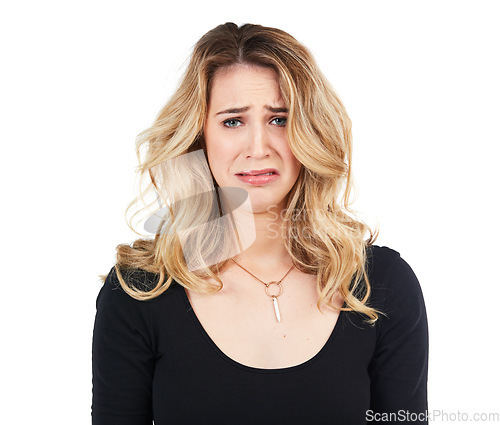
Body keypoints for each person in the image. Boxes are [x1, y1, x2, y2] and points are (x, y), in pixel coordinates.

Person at [91, 22, 428, 424]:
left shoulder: (382, 285)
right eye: (233, 121)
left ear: (311, 132)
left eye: (280, 119)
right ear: (200, 137)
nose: (258, 148)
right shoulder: (139, 291)